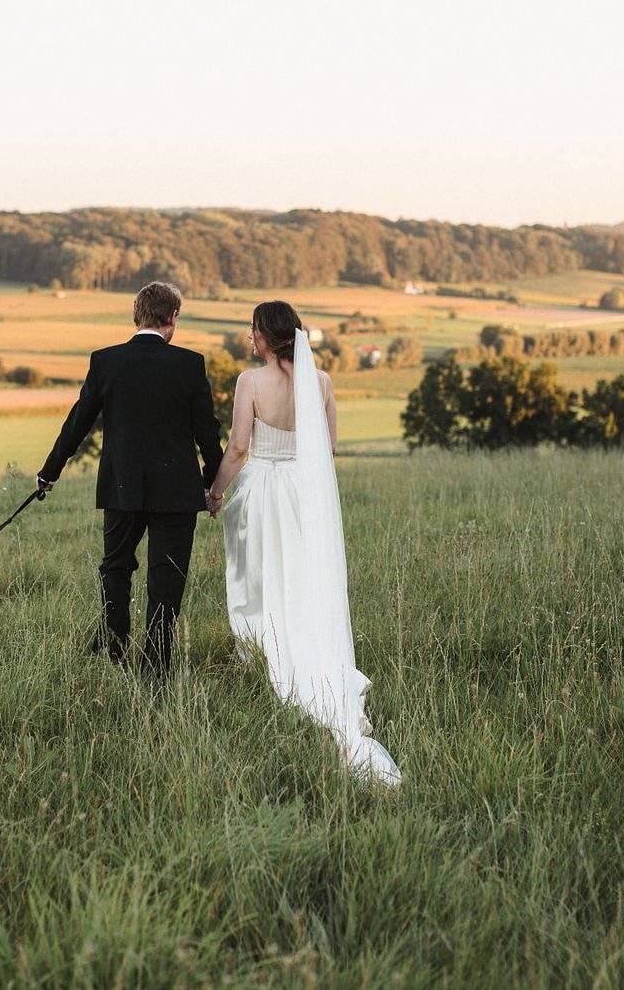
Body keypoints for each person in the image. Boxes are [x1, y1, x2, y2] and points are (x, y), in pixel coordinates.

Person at [206, 300, 401, 785]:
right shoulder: (322, 382)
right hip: (301, 493)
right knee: (299, 573)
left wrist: (215, 490)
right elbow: (327, 449)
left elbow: (238, 447)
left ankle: (261, 650)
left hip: (262, 490)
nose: (250, 338)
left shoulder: (250, 382)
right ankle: (302, 641)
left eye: (253, 330)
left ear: (266, 336)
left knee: (257, 573)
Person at [36, 281, 223, 675]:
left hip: (121, 487)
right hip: (176, 492)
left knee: (115, 566)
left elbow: (77, 424)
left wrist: (49, 472)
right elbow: (206, 431)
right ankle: (155, 667)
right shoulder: (189, 364)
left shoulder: (106, 361)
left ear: (136, 316)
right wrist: (211, 482)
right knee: (166, 579)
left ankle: (114, 643)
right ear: (172, 317)